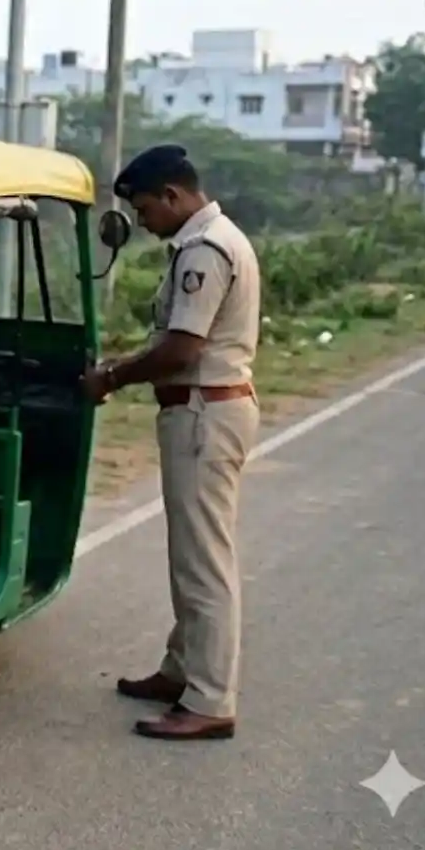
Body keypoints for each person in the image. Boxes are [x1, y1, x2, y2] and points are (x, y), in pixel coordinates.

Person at [80, 143, 261, 742]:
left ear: (173, 195)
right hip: (205, 410)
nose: (142, 221)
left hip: (204, 413)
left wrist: (112, 377)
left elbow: (182, 349)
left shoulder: (204, 250)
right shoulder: (212, 240)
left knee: (203, 562)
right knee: (192, 554)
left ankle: (210, 700)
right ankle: (182, 670)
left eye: (145, 208)